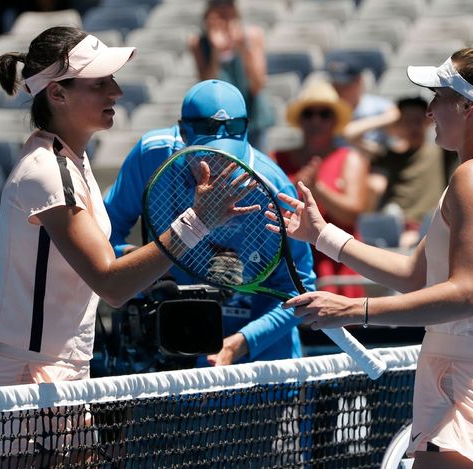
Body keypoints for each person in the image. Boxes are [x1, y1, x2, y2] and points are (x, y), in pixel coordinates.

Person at [271, 43, 473, 468]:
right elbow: (416, 275)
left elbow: (463, 294)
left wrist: (353, 308)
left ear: (467, 107)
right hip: (468, 383)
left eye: (438, 98)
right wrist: (323, 236)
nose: (430, 111)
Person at [0, 28, 257, 390]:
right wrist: (198, 221)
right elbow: (112, 284)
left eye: (112, 81)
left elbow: (106, 267)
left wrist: (147, 262)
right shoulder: (47, 171)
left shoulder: (71, 161)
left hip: (58, 376)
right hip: (30, 383)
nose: (116, 92)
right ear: (57, 93)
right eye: (99, 84)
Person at [104, 79, 316, 367]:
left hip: (262, 363)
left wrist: (240, 344)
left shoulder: (274, 187)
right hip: (171, 350)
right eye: (207, 156)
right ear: (183, 133)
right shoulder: (150, 155)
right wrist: (141, 265)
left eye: (230, 156)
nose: (220, 167)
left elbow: (298, 290)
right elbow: (104, 233)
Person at [271, 80, 369, 297]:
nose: (316, 120)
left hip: (335, 262)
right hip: (289, 261)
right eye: (308, 113)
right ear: (300, 120)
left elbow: (352, 213)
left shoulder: (350, 158)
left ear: (334, 121)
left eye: (324, 114)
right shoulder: (276, 158)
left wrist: (317, 188)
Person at [188, 0, 275, 150]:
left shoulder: (252, 36)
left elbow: (257, 85)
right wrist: (216, 51)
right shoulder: (199, 43)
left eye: (228, 4)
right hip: (221, 122)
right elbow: (208, 86)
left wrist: (242, 48)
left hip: (251, 119)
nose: (223, 9)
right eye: (217, 4)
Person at [368, 96, 446, 247]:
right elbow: (349, 135)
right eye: (407, 121)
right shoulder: (389, 155)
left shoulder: (441, 153)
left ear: (428, 121)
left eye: (417, 120)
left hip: (428, 228)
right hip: (393, 227)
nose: (413, 127)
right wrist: (387, 119)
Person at [326, 54, 400, 156]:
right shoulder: (326, 108)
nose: (339, 89)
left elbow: (395, 114)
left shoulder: (376, 105)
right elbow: (346, 133)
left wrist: (357, 130)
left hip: (372, 161)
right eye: (335, 83)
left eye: (344, 84)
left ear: (359, 81)